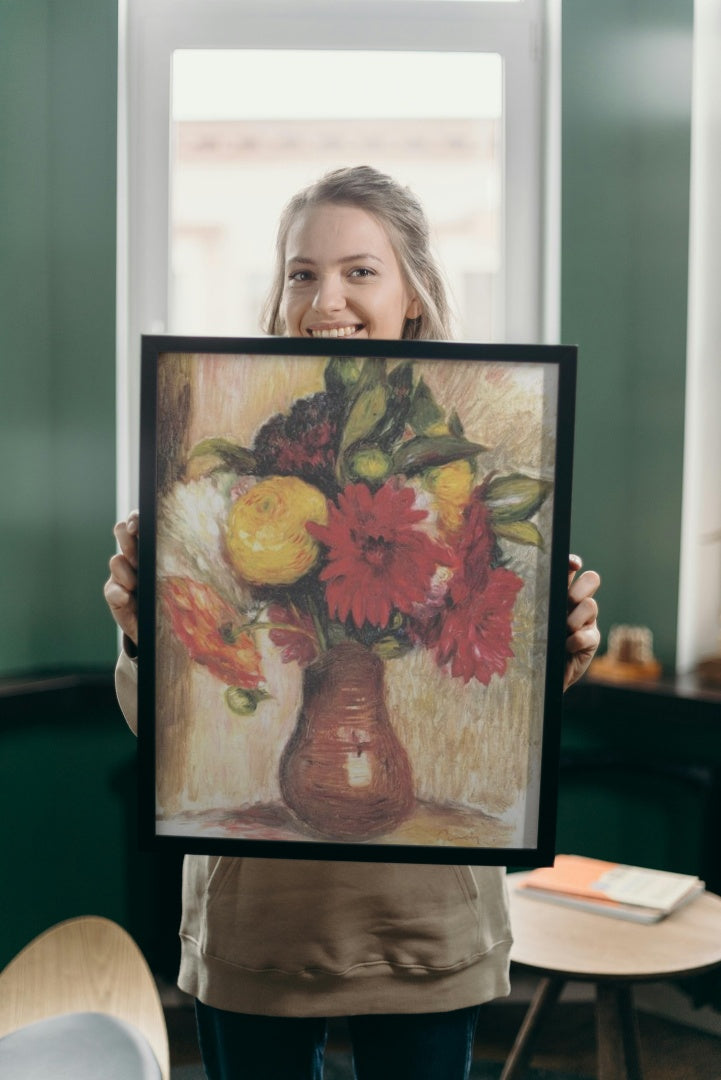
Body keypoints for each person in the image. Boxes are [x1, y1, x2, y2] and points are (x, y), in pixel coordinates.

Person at [105, 166, 601, 1080]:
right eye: (301, 272)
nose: (324, 298)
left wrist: (559, 645)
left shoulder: (482, 455)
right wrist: (146, 634)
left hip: (423, 923)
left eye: (358, 271)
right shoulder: (219, 465)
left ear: (412, 292)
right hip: (257, 925)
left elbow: (509, 711)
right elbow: (162, 730)